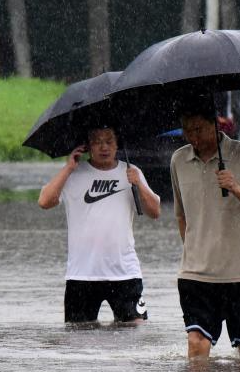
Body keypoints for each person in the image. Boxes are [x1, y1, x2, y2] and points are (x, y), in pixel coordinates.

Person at [170, 97, 240, 360]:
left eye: (198, 129)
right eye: (187, 129)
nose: (192, 136)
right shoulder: (178, 160)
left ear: (216, 125)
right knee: (196, 345)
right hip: (197, 273)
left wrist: (235, 188)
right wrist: (195, 251)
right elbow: (182, 216)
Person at [38, 125, 162, 324]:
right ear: (87, 146)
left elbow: (155, 212)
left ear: (117, 144)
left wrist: (137, 184)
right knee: (78, 338)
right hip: (82, 274)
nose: (103, 147)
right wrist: (68, 167)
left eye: (109, 141)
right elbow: (45, 201)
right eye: (97, 141)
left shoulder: (131, 171)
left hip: (125, 272)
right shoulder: (74, 174)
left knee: (137, 333)